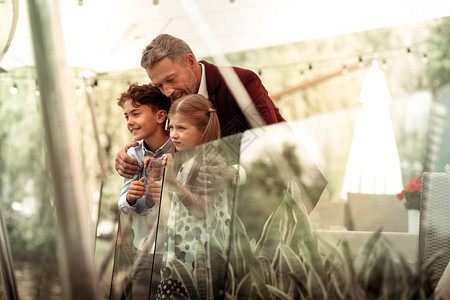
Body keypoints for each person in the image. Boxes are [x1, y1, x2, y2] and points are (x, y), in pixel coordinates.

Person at [115, 33, 285, 179]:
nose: (167, 91)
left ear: (190, 61)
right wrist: (130, 153)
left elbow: (270, 138)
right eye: (159, 85)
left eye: (170, 79)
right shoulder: (167, 97)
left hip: (272, 184)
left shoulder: (241, 82)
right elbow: (154, 132)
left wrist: (233, 172)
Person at [152, 94, 233, 299]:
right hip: (181, 255)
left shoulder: (210, 161)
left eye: (182, 128)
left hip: (198, 261)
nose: (173, 135)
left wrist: (173, 183)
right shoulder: (188, 160)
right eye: (171, 128)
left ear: (203, 130)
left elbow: (202, 210)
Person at [116, 83, 171, 299]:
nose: (129, 122)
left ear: (160, 116)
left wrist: (165, 194)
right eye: (126, 116)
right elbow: (123, 206)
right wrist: (130, 197)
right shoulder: (132, 155)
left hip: (176, 250)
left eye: (136, 114)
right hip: (143, 250)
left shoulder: (180, 149)